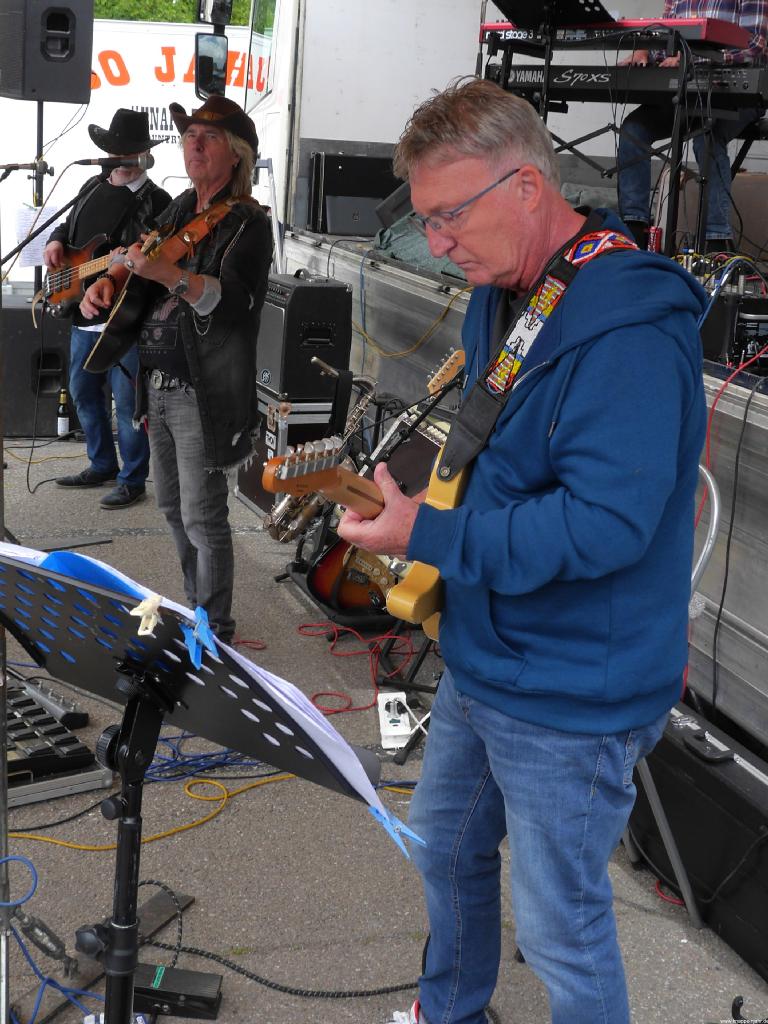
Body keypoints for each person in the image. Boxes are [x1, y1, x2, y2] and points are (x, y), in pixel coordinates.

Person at [337, 79, 707, 1024]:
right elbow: (503, 468)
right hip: (487, 658)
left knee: (559, 931)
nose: (440, 244)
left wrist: (429, 532)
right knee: (446, 849)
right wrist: (423, 516)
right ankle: (448, 1011)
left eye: (450, 217)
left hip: (573, 694)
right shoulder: (506, 294)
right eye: (427, 223)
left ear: (529, 189)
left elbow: (603, 526)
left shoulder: (625, 328)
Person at [80, 96, 272, 644]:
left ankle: (215, 631)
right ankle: (197, 612)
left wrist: (169, 274)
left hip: (202, 389)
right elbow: (132, 256)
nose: (193, 145)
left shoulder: (248, 223)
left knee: (202, 515)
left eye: (208, 138)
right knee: (169, 505)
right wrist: (108, 281)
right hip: (156, 382)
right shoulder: (177, 208)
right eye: (189, 136)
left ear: (235, 156)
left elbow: (232, 303)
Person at [44, 108, 171, 509]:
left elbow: (151, 262)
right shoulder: (91, 185)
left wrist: (117, 271)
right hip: (82, 315)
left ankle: (132, 478)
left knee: (127, 402)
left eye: (130, 152)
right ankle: (100, 464)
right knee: (83, 392)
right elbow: (69, 226)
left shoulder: (158, 201)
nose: (123, 160)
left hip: (124, 322)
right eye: (117, 151)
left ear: (143, 155)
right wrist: (55, 239)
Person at [617, 0, 768, 252]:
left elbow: (755, 45)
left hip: (738, 92)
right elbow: (668, 42)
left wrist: (694, 56)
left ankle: (716, 242)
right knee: (633, 130)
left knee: (706, 135)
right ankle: (634, 231)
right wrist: (646, 52)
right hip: (684, 90)